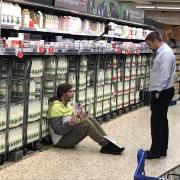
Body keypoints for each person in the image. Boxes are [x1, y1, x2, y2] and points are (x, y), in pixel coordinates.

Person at [47, 83, 125, 155]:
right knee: (86, 124)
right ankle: (105, 145)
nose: (73, 93)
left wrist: (81, 116)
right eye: (70, 92)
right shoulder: (55, 107)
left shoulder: (67, 105)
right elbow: (58, 130)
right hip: (60, 141)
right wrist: (70, 123)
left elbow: (71, 119)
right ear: (63, 94)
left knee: (89, 118)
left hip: (68, 134)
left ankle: (108, 141)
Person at [145, 31, 176, 159]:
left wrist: (157, 90)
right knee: (162, 120)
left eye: (149, 44)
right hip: (163, 90)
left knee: (156, 121)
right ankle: (162, 149)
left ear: (156, 41)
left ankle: (155, 151)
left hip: (162, 92)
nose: (149, 47)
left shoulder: (165, 53)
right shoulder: (162, 52)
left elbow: (164, 75)